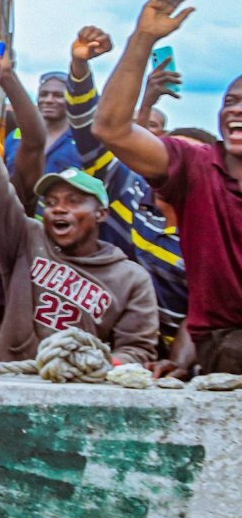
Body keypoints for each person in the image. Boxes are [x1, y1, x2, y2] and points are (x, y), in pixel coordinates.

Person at [0, 61, 160, 367]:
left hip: (78, 387)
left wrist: (102, 367)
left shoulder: (130, 278)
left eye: (73, 201)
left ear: (101, 214)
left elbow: (137, 348)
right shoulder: (25, 240)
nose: (59, 208)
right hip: (9, 376)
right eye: (52, 201)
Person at [93, 0, 242, 375]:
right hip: (225, 349)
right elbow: (112, 128)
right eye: (230, 101)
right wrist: (142, 39)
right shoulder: (197, 166)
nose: (236, 110)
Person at [63, 26, 189, 353]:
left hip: (189, 359)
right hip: (112, 350)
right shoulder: (129, 194)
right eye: (173, 154)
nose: (179, 164)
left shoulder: (213, 222)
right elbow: (90, 131)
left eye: (192, 159)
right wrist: (80, 66)